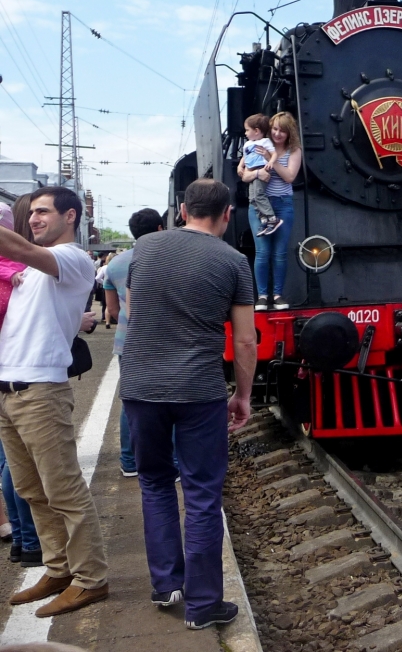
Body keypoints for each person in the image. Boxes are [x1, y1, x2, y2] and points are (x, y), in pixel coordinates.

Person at [120, 178, 257, 629]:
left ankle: (166, 585)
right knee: (201, 494)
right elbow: (243, 340)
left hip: (141, 387)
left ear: (182, 210)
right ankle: (202, 606)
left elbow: (136, 313)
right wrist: (242, 395)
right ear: (227, 214)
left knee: (155, 482)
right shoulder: (235, 261)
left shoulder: (146, 251)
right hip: (198, 392)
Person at [0, 186, 108, 617]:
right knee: (30, 489)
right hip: (8, 388)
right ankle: (59, 568)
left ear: (71, 217)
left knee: (63, 490)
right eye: (32, 213)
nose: (36, 218)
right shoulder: (27, 271)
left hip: (41, 392)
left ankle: (91, 578)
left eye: (45, 212)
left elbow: (20, 246)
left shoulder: (73, 260)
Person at [102, 209, 165, 477]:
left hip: (127, 341)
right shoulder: (166, 260)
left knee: (131, 403)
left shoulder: (115, 264)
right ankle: (167, 460)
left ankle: (129, 461)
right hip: (163, 340)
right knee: (167, 400)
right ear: (161, 229)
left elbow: (112, 309)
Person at [0, 200, 42, 568]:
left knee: (8, 461)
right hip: (14, 373)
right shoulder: (17, 269)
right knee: (19, 465)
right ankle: (29, 541)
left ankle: (22, 539)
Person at [238, 111, 302, 311]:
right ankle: (263, 296)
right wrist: (257, 171)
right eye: (275, 129)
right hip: (258, 206)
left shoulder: (294, 150)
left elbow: (290, 177)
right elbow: (242, 173)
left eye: (282, 131)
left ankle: (278, 294)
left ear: (289, 132)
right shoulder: (259, 143)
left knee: (280, 252)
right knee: (263, 251)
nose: (278, 134)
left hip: (283, 203)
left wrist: (270, 160)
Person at [241, 113, 282, 238]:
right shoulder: (248, 144)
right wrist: (240, 166)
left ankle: (272, 218)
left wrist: (270, 162)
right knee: (252, 198)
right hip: (252, 170)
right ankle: (264, 219)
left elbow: (274, 153)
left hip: (262, 168)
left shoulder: (265, 142)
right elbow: (245, 155)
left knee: (259, 194)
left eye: (247, 130)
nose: (245, 133)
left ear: (257, 131)